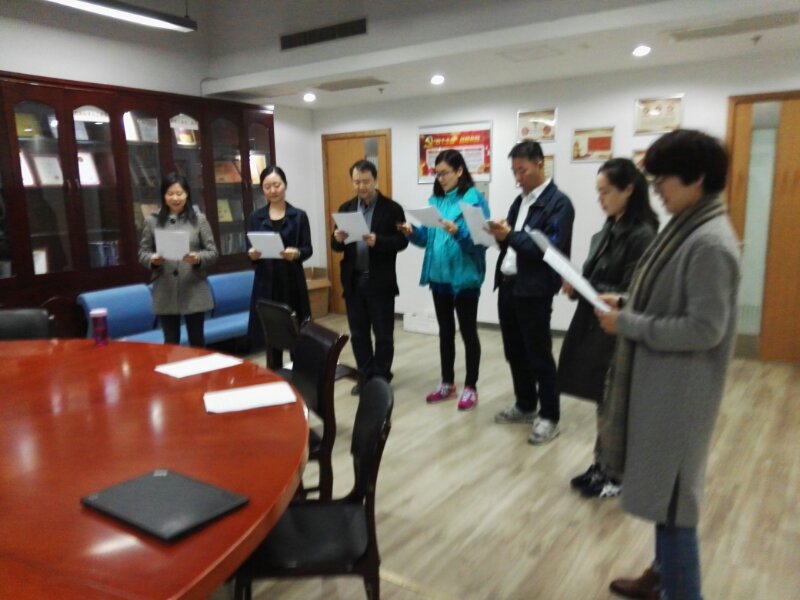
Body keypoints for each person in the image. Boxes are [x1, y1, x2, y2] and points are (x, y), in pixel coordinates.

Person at [595, 130, 740, 600]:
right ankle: (660, 576)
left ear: (696, 177)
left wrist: (629, 323)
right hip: (664, 387)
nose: (657, 190)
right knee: (664, 496)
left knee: (675, 506)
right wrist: (626, 302)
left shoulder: (710, 243)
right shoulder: (688, 227)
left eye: (664, 181)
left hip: (681, 396)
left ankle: (680, 589)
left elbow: (704, 329)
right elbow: (670, 297)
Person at [559, 158, 658, 498]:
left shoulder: (642, 234)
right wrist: (577, 285)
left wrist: (587, 286)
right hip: (597, 324)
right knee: (603, 399)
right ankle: (601, 464)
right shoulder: (607, 230)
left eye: (606, 192)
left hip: (620, 329)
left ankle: (616, 474)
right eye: (598, 192)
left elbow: (632, 291)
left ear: (628, 190)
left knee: (616, 404)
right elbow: (596, 277)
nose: (600, 199)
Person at [488, 140, 574, 444]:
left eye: (522, 170)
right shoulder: (520, 201)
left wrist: (509, 235)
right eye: (514, 171)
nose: (518, 177)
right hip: (508, 284)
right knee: (514, 351)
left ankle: (549, 416)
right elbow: (513, 240)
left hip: (535, 288)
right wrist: (499, 235)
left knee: (538, 354)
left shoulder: (559, 204)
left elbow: (547, 248)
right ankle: (525, 404)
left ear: (540, 164)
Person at [398, 149, 489, 411]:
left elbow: (481, 243)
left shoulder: (474, 201)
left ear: (459, 171)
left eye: (445, 173)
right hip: (439, 277)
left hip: (465, 278)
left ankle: (471, 386)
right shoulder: (436, 202)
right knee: (445, 333)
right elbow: (427, 239)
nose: (440, 179)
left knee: (468, 333)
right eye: (437, 174)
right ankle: (447, 383)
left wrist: (458, 231)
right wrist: (411, 232)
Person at [331, 159, 408, 395]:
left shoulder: (392, 209)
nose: (361, 186)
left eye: (366, 181)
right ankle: (365, 376)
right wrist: (337, 239)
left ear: (375, 180)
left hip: (380, 280)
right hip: (354, 281)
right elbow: (336, 247)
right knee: (358, 334)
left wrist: (379, 241)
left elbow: (402, 241)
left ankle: (381, 377)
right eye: (357, 182)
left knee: (383, 334)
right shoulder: (346, 208)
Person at [138, 172, 218, 347]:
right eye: (170, 194)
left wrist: (198, 258)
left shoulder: (199, 220)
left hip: (193, 287)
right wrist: (152, 260)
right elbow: (143, 252)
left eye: (179, 193)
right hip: (165, 288)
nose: (175, 198)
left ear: (187, 194)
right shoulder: (152, 221)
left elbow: (212, 252)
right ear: (163, 196)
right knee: (171, 343)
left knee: (197, 341)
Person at [247, 166, 312, 363]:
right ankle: (274, 375)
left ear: (285, 185)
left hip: (292, 282)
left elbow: (308, 249)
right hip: (266, 283)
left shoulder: (298, 216)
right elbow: (249, 250)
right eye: (267, 187)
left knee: (296, 335)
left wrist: (297, 253)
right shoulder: (256, 217)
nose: (273, 190)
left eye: (277, 185)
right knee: (271, 338)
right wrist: (252, 254)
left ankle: (298, 376)